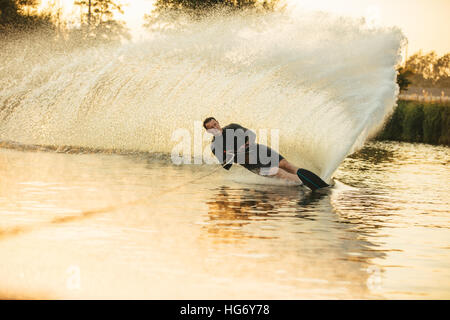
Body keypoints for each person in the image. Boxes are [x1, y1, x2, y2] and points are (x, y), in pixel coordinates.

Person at [203, 117, 302, 183]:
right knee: (279, 172)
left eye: (215, 124)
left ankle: (307, 178)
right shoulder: (215, 146)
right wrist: (229, 156)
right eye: (211, 128)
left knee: (286, 165)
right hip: (253, 165)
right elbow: (226, 166)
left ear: (218, 123)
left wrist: (246, 144)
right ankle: (302, 184)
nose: (215, 128)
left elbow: (251, 135)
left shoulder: (232, 127)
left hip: (261, 151)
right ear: (208, 131)